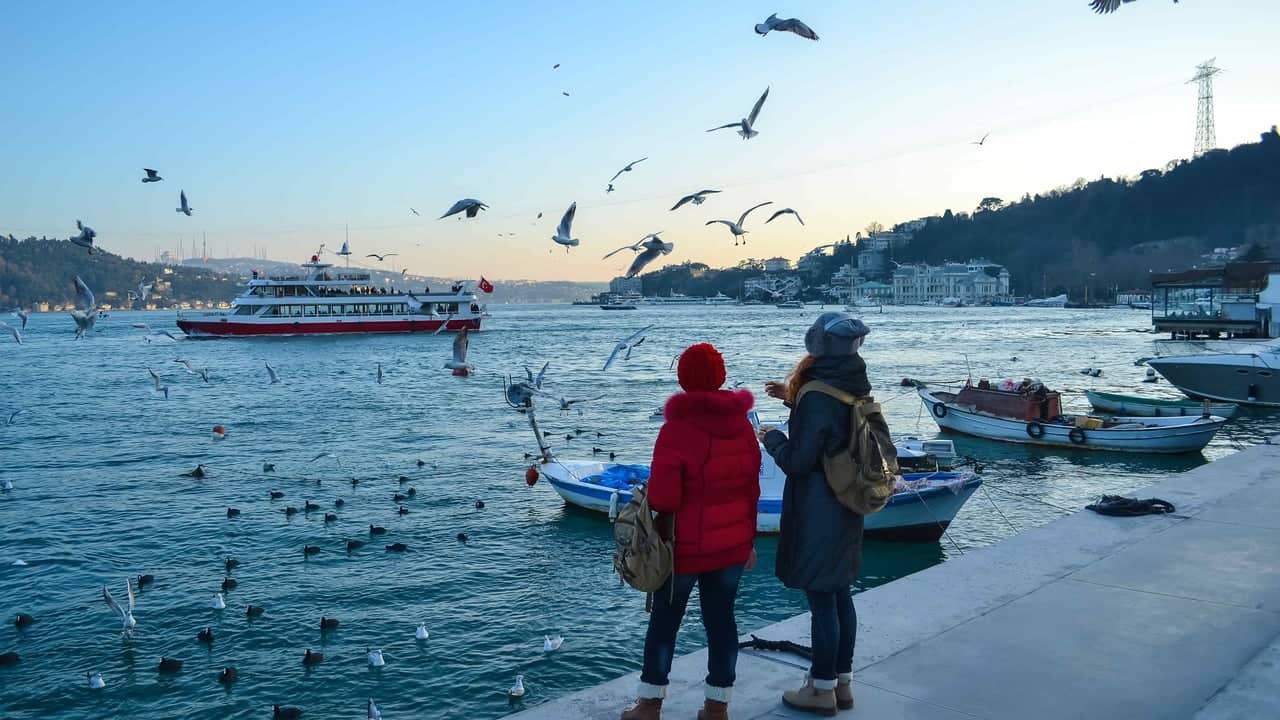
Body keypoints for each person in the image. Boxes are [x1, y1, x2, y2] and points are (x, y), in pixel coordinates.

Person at [622, 343, 761, 720]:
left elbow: (665, 498)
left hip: (682, 550)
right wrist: (748, 541)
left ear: (683, 378)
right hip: (731, 547)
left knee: (666, 623)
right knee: (722, 623)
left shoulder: (677, 429)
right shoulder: (744, 427)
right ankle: (717, 707)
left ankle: (650, 705)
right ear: (721, 376)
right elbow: (752, 488)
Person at [759, 312, 871, 716]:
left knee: (822, 597)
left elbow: (800, 461)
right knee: (841, 593)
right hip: (847, 502)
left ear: (817, 346)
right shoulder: (853, 383)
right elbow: (832, 426)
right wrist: (791, 400)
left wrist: (773, 439)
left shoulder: (817, 394)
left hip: (817, 508)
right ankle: (842, 684)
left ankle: (820, 688)